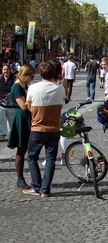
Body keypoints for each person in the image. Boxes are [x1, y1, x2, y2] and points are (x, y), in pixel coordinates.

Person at [23, 62, 65, 197]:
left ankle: (37, 186)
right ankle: (45, 189)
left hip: (37, 128)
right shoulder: (60, 89)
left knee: (31, 157)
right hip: (54, 128)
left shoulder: (33, 88)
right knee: (51, 159)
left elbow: (29, 107)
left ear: (40, 73)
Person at [7, 65, 35, 189]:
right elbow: (23, 106)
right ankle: (20, 178)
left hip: (27, 117)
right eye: (31, 76)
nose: (32, 79)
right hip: (21, 118)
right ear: (25, 75)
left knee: (28, 148)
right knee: (21, 149)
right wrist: (32, 99)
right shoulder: (16, 87)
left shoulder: (24, 86)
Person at [0, 64, 15, 141]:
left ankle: (13, 135)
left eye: (7, 69)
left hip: (11, 105)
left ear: (9, 70)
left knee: (12, 122)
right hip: (1, 104)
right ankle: (2, 135)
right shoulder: (0, 78)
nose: (5, 71)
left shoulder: (14, 79)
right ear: (2, 71)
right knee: (1, 120)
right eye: (4, 69)